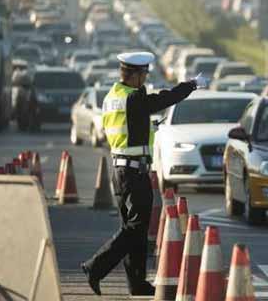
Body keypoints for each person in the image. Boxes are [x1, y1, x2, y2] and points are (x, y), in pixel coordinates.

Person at [81, 52, 206, 296]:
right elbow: (163, 99)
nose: (146, 79)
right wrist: (190, 85)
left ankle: (136, 283)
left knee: (132, 227)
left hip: (119, 168)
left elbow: (128, 125)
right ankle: (95, 267)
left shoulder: (112, 97)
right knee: (136, 227)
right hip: (133, 171)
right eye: (145, 74)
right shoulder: (134, 97)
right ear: (135, 76)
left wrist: (150, 126)